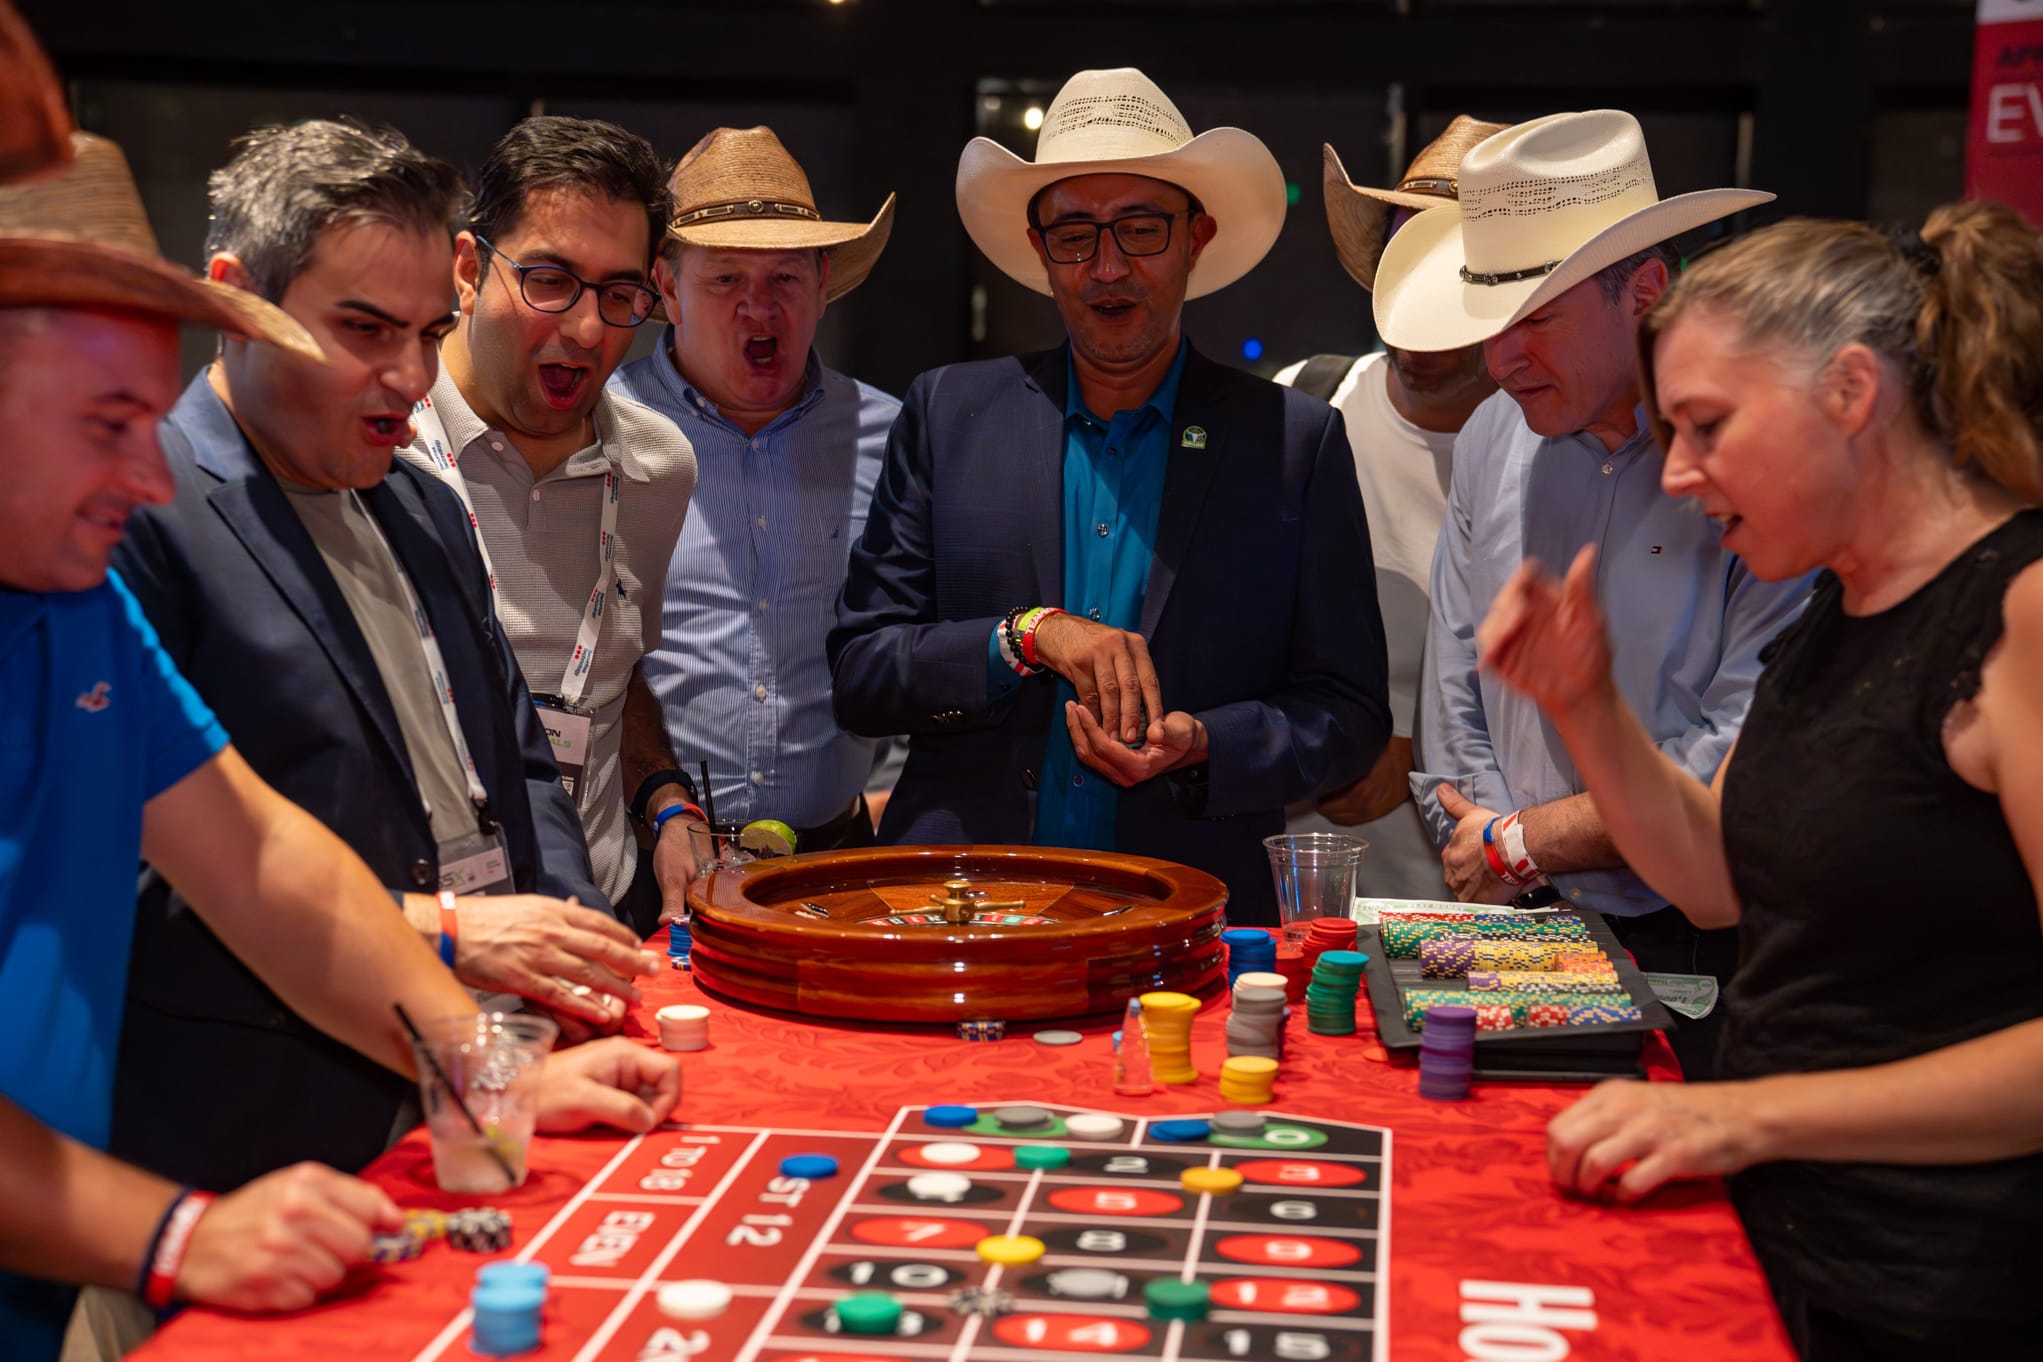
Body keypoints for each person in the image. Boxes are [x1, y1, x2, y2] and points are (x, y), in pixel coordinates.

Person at [0, 130, 680, 1362]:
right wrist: (172, 1236)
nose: (150, 477)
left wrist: (492, 1076)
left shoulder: (74, 604)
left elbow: (265, 862)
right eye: (106, 422)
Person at [1483, 202, 2043, 1359]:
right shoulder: (1835, 606)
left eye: (1707, 426)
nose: (1679, 473)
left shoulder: (2022, 610)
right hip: (1800, 1255)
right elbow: (1713, 881)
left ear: (1850, 393)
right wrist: (1585, 706)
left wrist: (1736, 1114)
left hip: (1959, 1294)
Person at [108, 117, 655, 1205]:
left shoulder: (421, 502)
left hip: (480, 1072)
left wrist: (560, 979)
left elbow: (519, 761)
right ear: (231, 300)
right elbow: (139, 890)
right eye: (364, 329)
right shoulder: (133, 516)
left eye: (428, 330)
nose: (411, 377)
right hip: (269, 1142)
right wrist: (449, 939)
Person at [829, 68, 1390, 924]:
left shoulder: (1291, 441)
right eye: (1074, 236)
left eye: (1140, 229)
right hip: (962, 906)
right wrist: (1025, 637)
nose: (1107, 267)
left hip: (1192, 910)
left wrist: (1207, 745)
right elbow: (863, 672)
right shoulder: (949, 412)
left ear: (1196, 237)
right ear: (1037, 245)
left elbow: (1347, 713)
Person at [1372, 109, 1810, 1073]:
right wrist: (1489, 840)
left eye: (1534, 319)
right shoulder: (1494, 432)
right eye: (1492, 322)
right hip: (1505, 914)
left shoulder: (1761, 462)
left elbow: (1742, 763)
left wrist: (1519, 840)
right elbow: (1455, 684)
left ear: (1644, 292)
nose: (1499, 359)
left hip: (1706, 950)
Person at [399, 116, 698, 936]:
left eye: (619, 293)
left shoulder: (657, 467)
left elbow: (617, 671)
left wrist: (664, 794)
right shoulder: (385, 451)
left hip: (599, 920)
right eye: (549, 280)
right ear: (467, 269)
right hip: (427, 935)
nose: (589, 329)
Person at [609, 126, 902, 871]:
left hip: (838, 858)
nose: (759, 308)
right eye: (726, 279)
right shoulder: (602, 426)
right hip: (649, 856)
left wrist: (891, 795)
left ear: (822, 287)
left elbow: (915, 626)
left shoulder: (888, 432)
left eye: (784, 279)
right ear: (668, 289)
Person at [1275, 116, 1506, 902]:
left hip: (1469, 901)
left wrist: (1409, 753)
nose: (1422, 297)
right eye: (1404, 263)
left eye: (1458, 272)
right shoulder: (1303, 403)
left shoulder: (1550, 452)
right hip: (1284, 887)